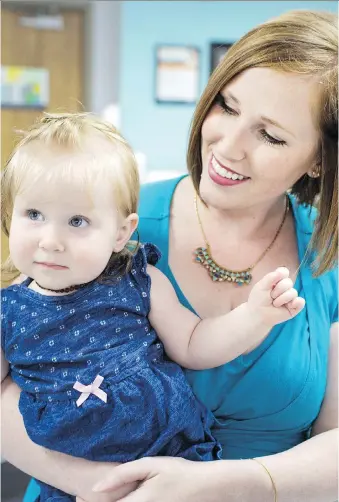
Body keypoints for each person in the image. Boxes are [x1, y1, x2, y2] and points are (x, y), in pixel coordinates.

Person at [1, 8, 337, 502]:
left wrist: (229, 484)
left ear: (319, 160)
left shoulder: (329, 258)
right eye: (226, 105)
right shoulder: (97, 220)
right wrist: (106, 487)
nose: (228, 145)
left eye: (270, 134)